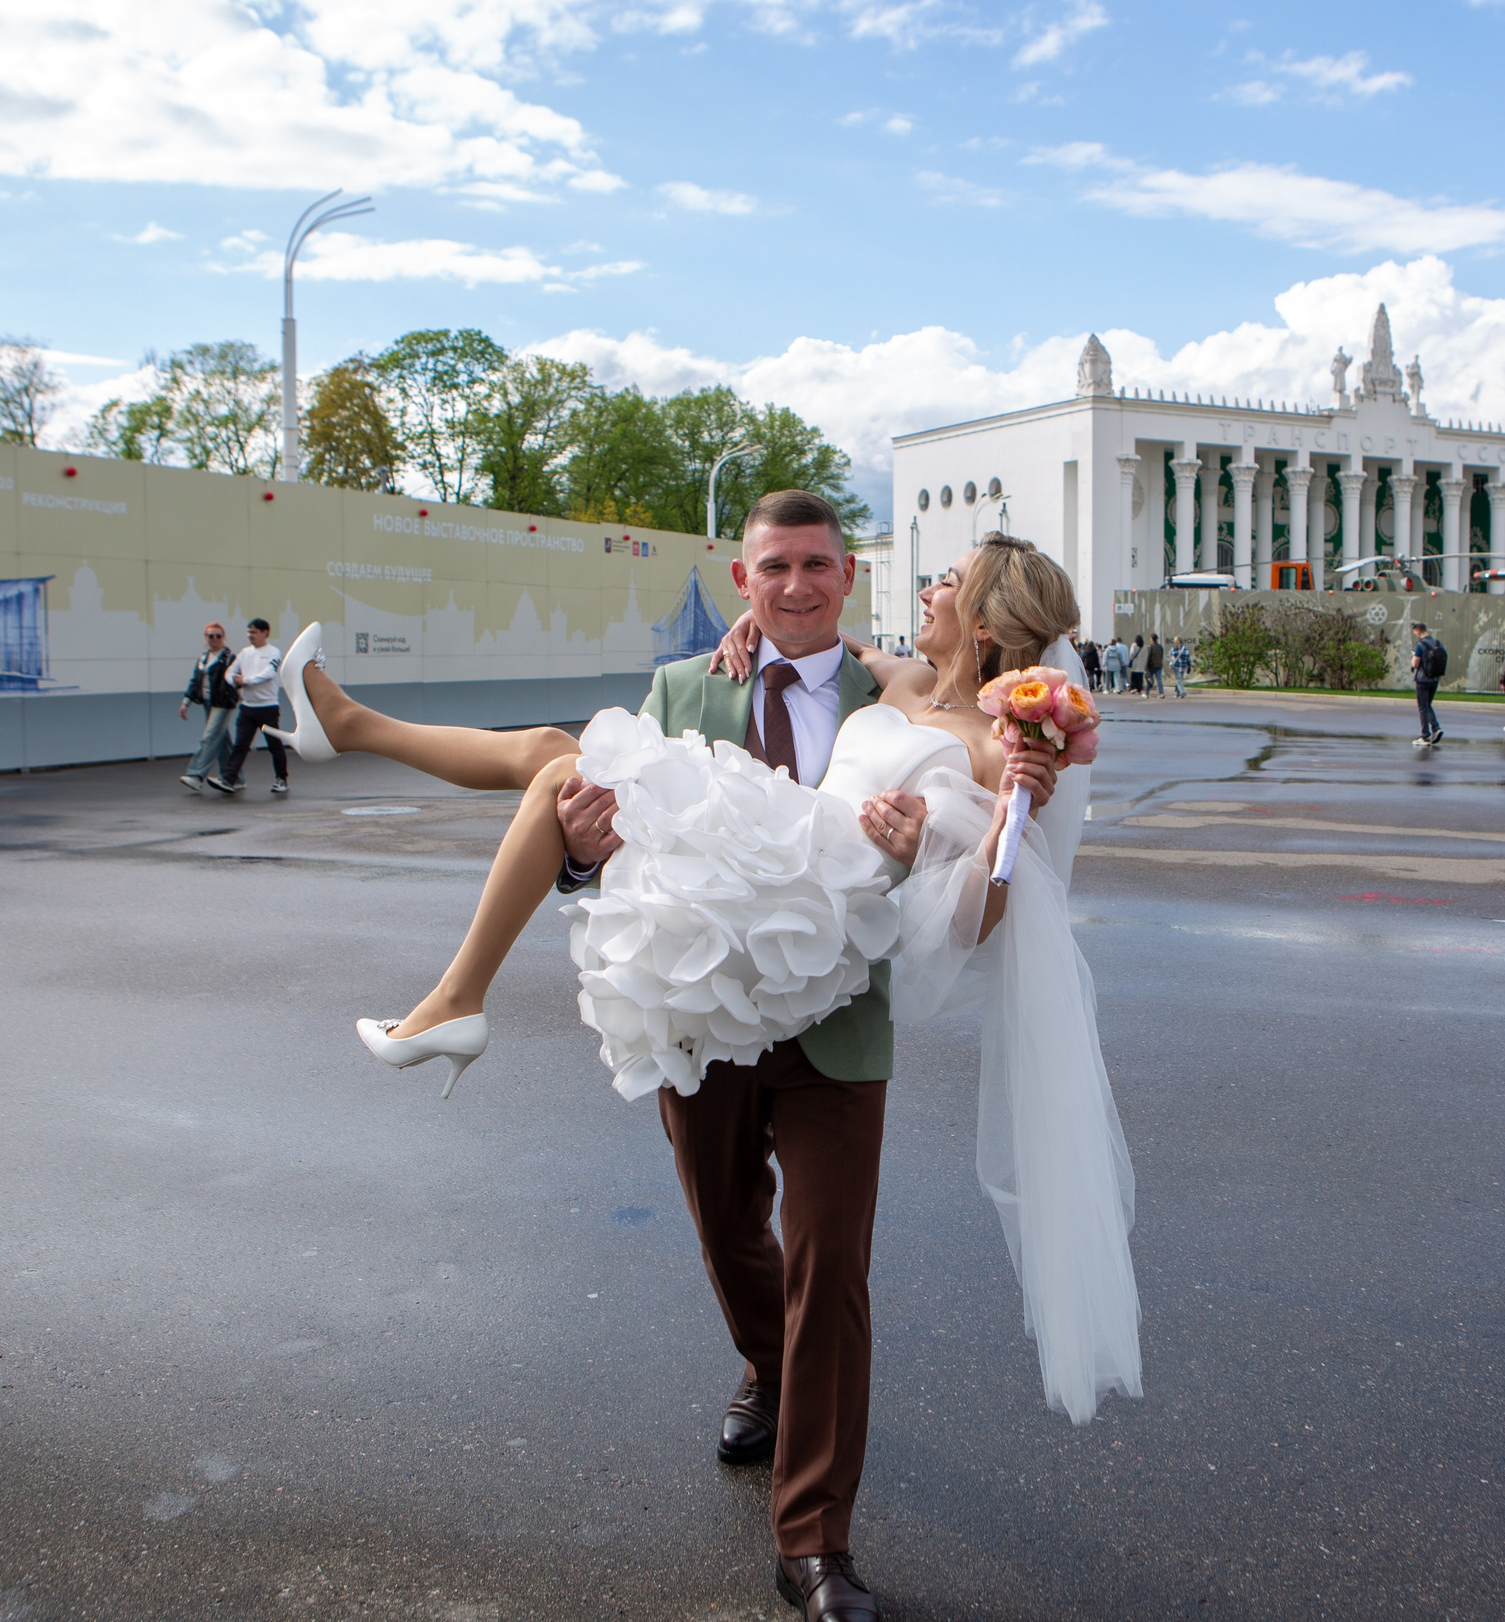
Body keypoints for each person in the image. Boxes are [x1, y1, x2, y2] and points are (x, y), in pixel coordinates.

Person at [274, 505, 1125, 1622]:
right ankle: (767, 1367)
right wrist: (580, 856)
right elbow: (608, 852)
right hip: (701, 985)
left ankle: (814, 1542)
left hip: (836, 1000)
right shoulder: (773, 680)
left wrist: (956, 836)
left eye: (820, 566)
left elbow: (986, 900)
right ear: (747, 577)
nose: (801, 585)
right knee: (726, 1227)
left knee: (832, 1273)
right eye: (775, 568)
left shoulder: (931, 712)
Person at [216, 618, 289, 794]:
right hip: (248, 707)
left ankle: (282, 779)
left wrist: (246, 680)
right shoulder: (244, 653)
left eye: (254, 632)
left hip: (268, 707)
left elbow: (269, 673)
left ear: (265, 633)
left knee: (274, 746)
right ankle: (228, 779)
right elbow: (230, 672)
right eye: (249, 632)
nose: (251, 635)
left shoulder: (273, 652)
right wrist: (234, 681)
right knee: (240, 745)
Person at [178, 622, 239, 791]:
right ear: (206, 637)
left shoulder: (229, 657)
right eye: (211, 636)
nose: (214, 639)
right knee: (222, 740)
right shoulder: (203, 658)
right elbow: (195, 681)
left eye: (218, 636)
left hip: (223, 702)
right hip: (208, 702)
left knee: (210, 737)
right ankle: (235, 777)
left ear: (223, 637)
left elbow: (237, 679)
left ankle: (195, 775)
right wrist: (186, 702)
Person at [1408, 622, 1447, 746]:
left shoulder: (1420, 645)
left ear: (1418, 630)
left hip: (1422, 680)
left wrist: (1414, 656)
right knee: (1427, 704)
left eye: (1415, 631)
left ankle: (1425, 736)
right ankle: (1436, 728)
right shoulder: (1437, 643)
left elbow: (1415, 664)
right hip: (1434, 679)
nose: (1415, 634)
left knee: (1422, 707)